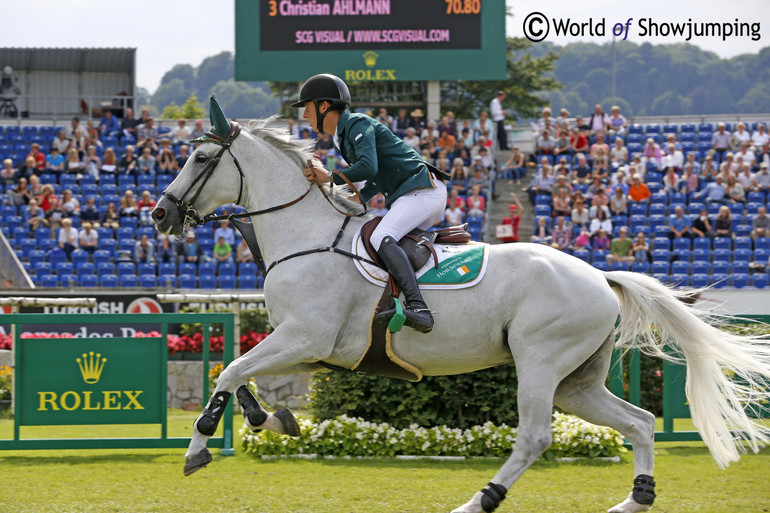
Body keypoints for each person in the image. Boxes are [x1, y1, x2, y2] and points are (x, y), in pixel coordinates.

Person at [296, 73, 448, 333]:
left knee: (381, 236)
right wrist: (361, 198)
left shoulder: (356, 123)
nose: (304, 116)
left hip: (423, 191)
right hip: (412, 193)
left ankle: (419, 307)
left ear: (324, 106)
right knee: (377, 240)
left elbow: (368, 167)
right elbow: (377, 176)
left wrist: (329, 177)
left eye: (307, 108)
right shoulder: (341, 137)